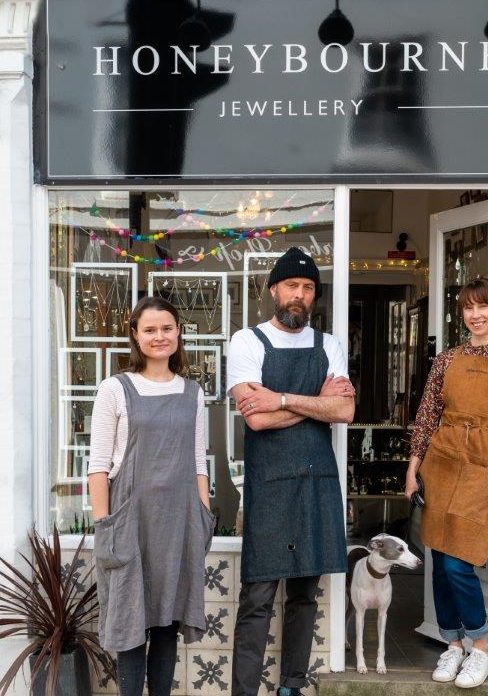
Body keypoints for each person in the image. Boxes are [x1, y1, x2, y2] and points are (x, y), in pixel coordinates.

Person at [227, 247, 355, 696]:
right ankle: (244, 691)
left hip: (316, 482)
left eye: (307, 288)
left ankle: (291, 687)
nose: (299, 295)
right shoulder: (247, 342)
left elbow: (345, 409)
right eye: (291, 286)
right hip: (269, 486)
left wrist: (282, 398)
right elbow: (255, 419)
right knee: (257, 600)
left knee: (304, 594)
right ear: (273, 290)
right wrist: (316, 402)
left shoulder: (328, 344)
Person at [405, 277, 488, 689]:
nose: (475, 315)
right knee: (440, 564)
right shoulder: (446, 360)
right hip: (441, 463)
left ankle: (480, 645)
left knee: (460, 561)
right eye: (467, 308)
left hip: (482, 467)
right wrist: (413, 467)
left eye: (483, 306)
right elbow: (426, 414)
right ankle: (452, 643)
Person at [88, 296, 214, 696]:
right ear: (135, 336)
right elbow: (98, 467)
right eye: (150, 330)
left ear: (178, 333)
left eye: (166, 328)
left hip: (178, 525)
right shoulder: (114, 389)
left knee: (167, 625)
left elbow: (198, 464)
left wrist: (203, 519)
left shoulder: (193, 393)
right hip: (130, 524)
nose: (159, 336)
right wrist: (105, 526)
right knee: (131, 624)